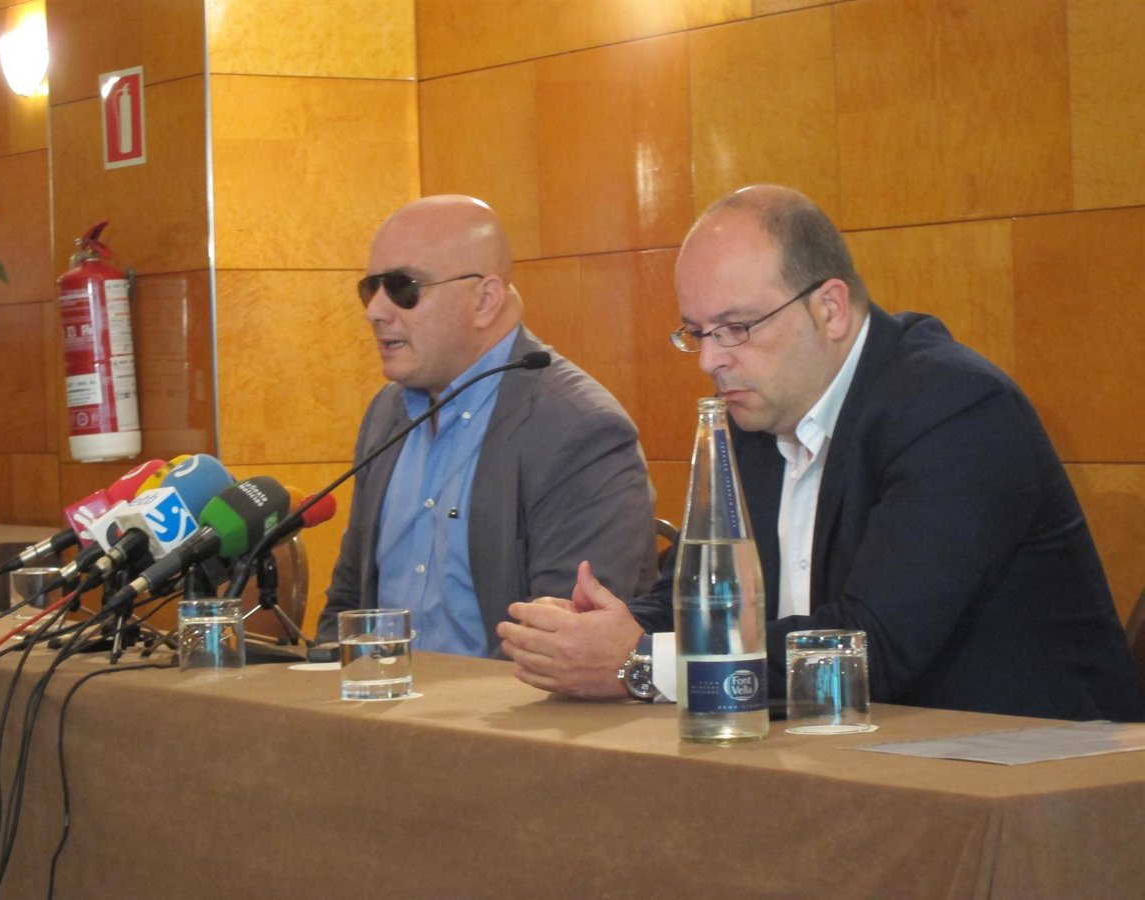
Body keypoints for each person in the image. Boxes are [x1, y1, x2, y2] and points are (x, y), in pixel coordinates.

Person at [497, 184, 1145, 722]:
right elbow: (692, 601)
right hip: (856, 760)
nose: (710, 359)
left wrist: (643, 663)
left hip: (1033, 775)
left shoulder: (956, 410)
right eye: (696, 332)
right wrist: (592, 633)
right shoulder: (753, 415)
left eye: (736, 327)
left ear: (830, 308)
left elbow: (869, 649)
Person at [316, 195, 657, 656]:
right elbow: (348, 599)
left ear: (485, 300)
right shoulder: (386, 413)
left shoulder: (579, 429)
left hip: (505, 701)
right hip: (378, 697)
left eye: (401, 288)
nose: (375, 310)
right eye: (369, 288)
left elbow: (562, 642)